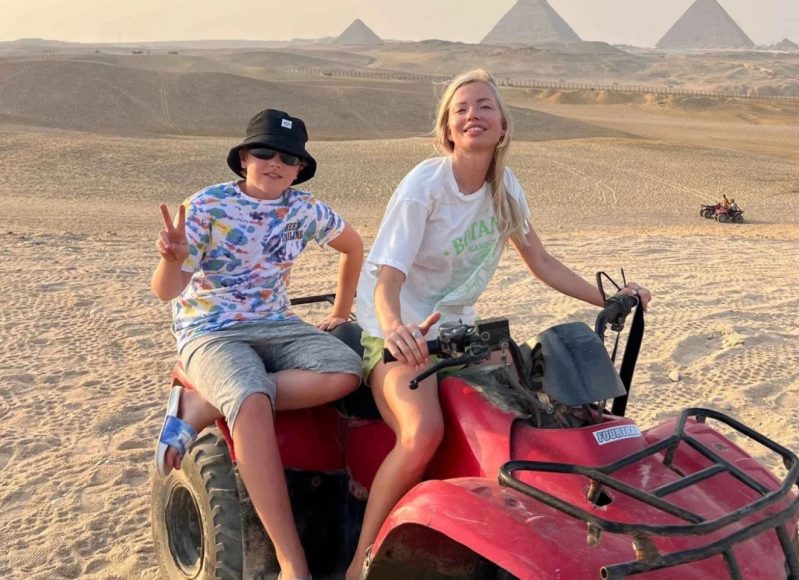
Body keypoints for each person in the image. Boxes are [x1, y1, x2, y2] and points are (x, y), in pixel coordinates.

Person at [345, 69, 651, 579]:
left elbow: (543, 262)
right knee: (421, 433)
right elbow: (388, 277)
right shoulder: (427, 184)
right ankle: (361, 561)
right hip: (399, 332)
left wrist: (611, 297)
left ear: (503, 124)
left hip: (463, 332)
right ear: (447, 128)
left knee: (543, 414)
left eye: (484, 106)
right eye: (461, 108)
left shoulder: (505, 186)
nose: (473, 115)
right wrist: (397, 327)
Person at [152, 108, 363, 580]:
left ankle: (205, 401)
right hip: (210, 328)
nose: (275, 163)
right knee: (249, 400)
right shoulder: (207, 207)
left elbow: (353, 246)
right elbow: (167, 291)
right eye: (264, 152)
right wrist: (173, 258)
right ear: (245, 157)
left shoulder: (304, 209)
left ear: (299, 168)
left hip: (276, 323)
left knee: (347, 370)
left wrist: (341, 311)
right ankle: (292, 561)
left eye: (288, 157)